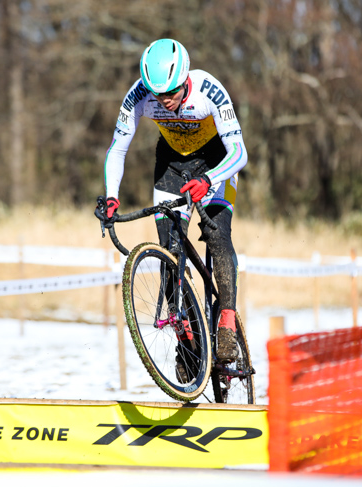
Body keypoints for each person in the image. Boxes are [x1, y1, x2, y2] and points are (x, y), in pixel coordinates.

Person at [100, 39, 248, 369]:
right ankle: (187, 342)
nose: (164, 101)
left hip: (215, 163)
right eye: (158, 94)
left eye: (171, 93)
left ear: (185, 81)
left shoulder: (210, 91)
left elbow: (240, 152)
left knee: (218, 235)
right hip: (171, 165)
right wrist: (111, 195)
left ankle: (226, 321)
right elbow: (117, 150)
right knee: (168, 252)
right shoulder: (139, 95)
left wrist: (210, 179)